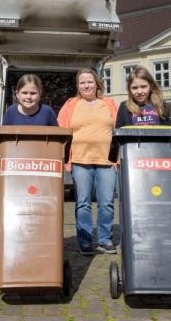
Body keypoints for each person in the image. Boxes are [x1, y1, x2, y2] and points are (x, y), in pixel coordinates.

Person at [58, 68, 118, 256]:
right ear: (77, 86)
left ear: (97, 83)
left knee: (106, 202)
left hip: (107, 161)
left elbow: (118, 130)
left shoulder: (109, 103)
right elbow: (62, 132)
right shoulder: (70, 105)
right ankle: (84, 241)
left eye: (89, 82)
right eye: (82, 82)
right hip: (80, 160)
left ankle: (105, 240)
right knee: (82, 203)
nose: (86, 85)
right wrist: (65, 160)